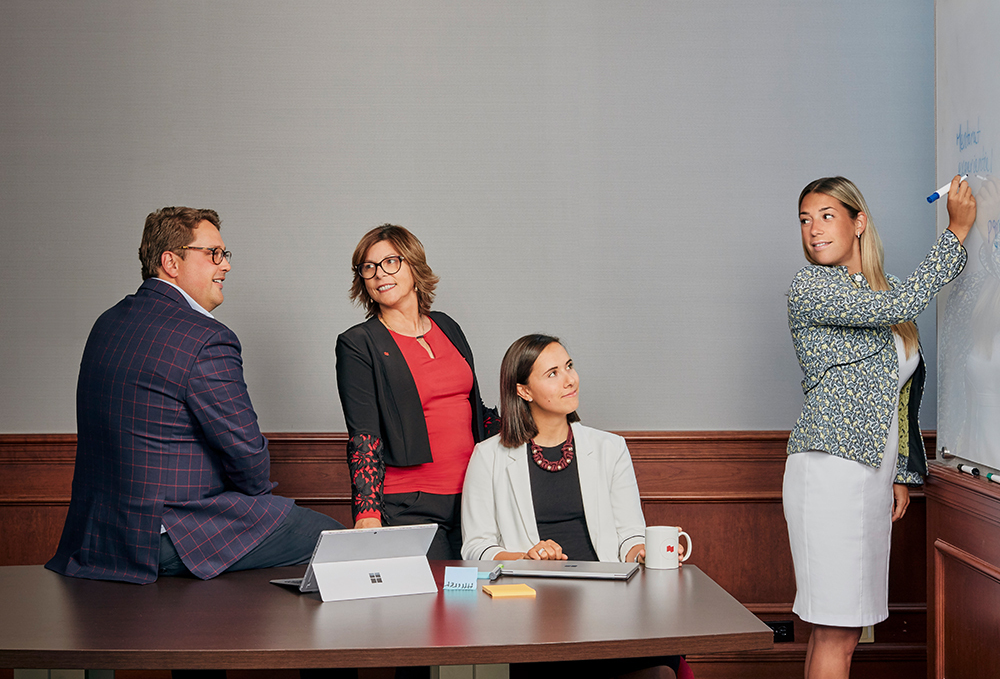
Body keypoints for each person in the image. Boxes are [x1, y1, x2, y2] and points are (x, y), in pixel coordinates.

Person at [46, 207, 343, 585]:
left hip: (98, 538)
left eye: (225, 254)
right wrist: (257, 502)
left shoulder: (107, 323)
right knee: (334, 542)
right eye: (213, 254)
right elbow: (247, 454)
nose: (226, 266)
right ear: (171, 261)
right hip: (165, 536)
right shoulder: (204, 337)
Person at [784, 176, 975, 679]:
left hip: (868, 476)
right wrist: (955, 232)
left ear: (858, 222)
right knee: (838, 629)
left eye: (827, 215)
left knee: (838, 628)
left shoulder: (878, 290)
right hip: (829, 474)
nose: (814, 230)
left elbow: (900, 397)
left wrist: (902, 473)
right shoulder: (811, 288)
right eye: (805, 219)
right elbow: (900, 307)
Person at [461, 334, 691, 679]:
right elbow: (475, 549)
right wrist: (526, 555)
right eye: (552, 373)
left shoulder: (610, 448)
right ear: (524, 390)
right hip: (532, 611)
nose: (570, 379)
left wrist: (645, 552)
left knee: (662, 666)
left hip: (611, 604)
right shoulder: (488, 456)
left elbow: (628, 536)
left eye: (569, 366)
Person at [336, 224, 498, 560]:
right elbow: (363, 434)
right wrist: (367, 512)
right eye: (369, 267)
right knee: (429, 607)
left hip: (474, 498)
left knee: (476, 606)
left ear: (413, 266)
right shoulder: (358, 343)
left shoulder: (447, 326)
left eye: (390, 262)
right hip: (410, 505)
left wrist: (532, 429)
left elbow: (472, 410)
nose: (380, 274)